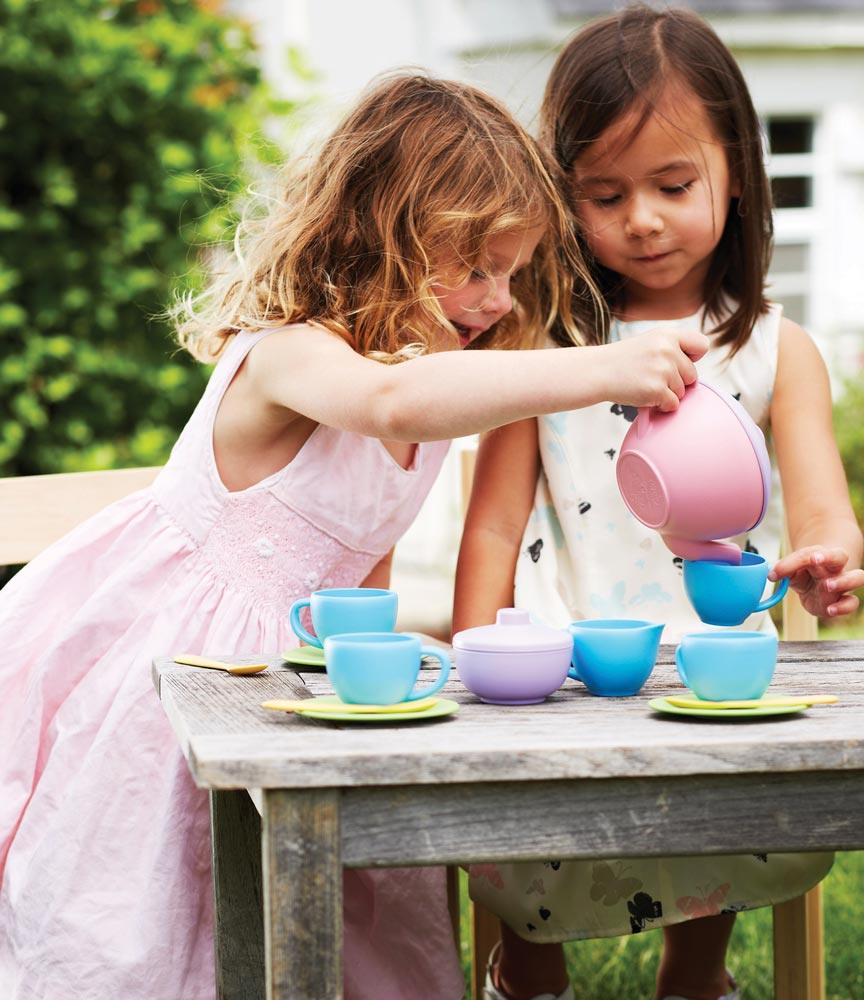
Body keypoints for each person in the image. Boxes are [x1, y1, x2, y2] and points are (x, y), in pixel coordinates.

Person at [0, 73, 709, 1000]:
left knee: (347, 914)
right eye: (476, 267)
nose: (498, 299)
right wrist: (604, 365)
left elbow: (360, 558)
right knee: (154, 905)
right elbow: (385, 401)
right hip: (176, 672)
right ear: (387, 233)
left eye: (513, 273)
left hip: (299, 690)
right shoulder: (290, 351)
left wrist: (371, 650)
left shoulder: (428, 402)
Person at [453, 8, 864, 1000]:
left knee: (727, 803)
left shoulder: (773, 347)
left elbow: (820, 511)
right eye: (604, 193)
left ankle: (695, 972)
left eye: (673, 185)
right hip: (556, 657)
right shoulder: (544, 347)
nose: (640, 217)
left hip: (709, 659)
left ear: (737, 175)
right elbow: (495, 521)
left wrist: (823, 561)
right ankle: (530, 968)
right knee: (515, 828)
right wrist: (474, 652)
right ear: (564, 201)